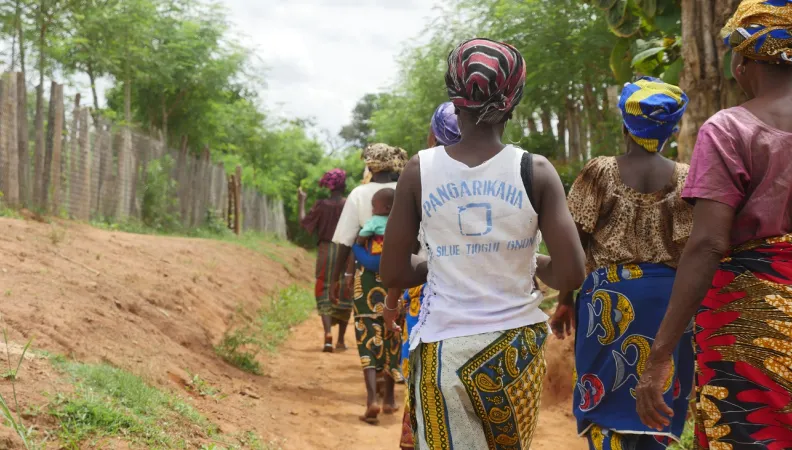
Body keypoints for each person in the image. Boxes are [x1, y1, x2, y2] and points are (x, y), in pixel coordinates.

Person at [380, 38, 586, 449]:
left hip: (445, 348)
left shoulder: (421, 170)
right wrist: (525, 260)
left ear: (454, 97)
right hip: (516, 351)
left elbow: (393, 271)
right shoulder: (537, 171)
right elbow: (571, 272)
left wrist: (435, 264)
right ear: (514, 100)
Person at [636, 2, 792, 449]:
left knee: (751, 431)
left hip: (748, 323)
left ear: (742, 61)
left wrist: (660, 355)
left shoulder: (729, 129)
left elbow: (707, 244)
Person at [550, 77, 694, 449]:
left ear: (625, 123)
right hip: (669, 302)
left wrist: (566, 298)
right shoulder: (686, 178)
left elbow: (575, 243)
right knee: (659, 397)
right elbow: (693, 247)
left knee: (604, 397)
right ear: (671, 129)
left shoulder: (600, 171)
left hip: (608, 303)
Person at [330, 143, 408, 425]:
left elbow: (346, 240)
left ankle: (371, 399)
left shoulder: (359, 194)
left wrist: (337, 277)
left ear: (371, 165)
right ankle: (390, 398)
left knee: (366, 331)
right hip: (401, 272)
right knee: (394, 331)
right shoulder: (408, 190)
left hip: (366, 275)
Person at [298, 169, 353, 352]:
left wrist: (302, 201)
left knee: (324, 288)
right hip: (345, 251)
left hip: (325, 251)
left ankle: (328, 335)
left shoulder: (321, 205)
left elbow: (304, 222)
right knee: (345, 287)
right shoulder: (349, 204)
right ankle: (341, 341)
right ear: (343, 185)